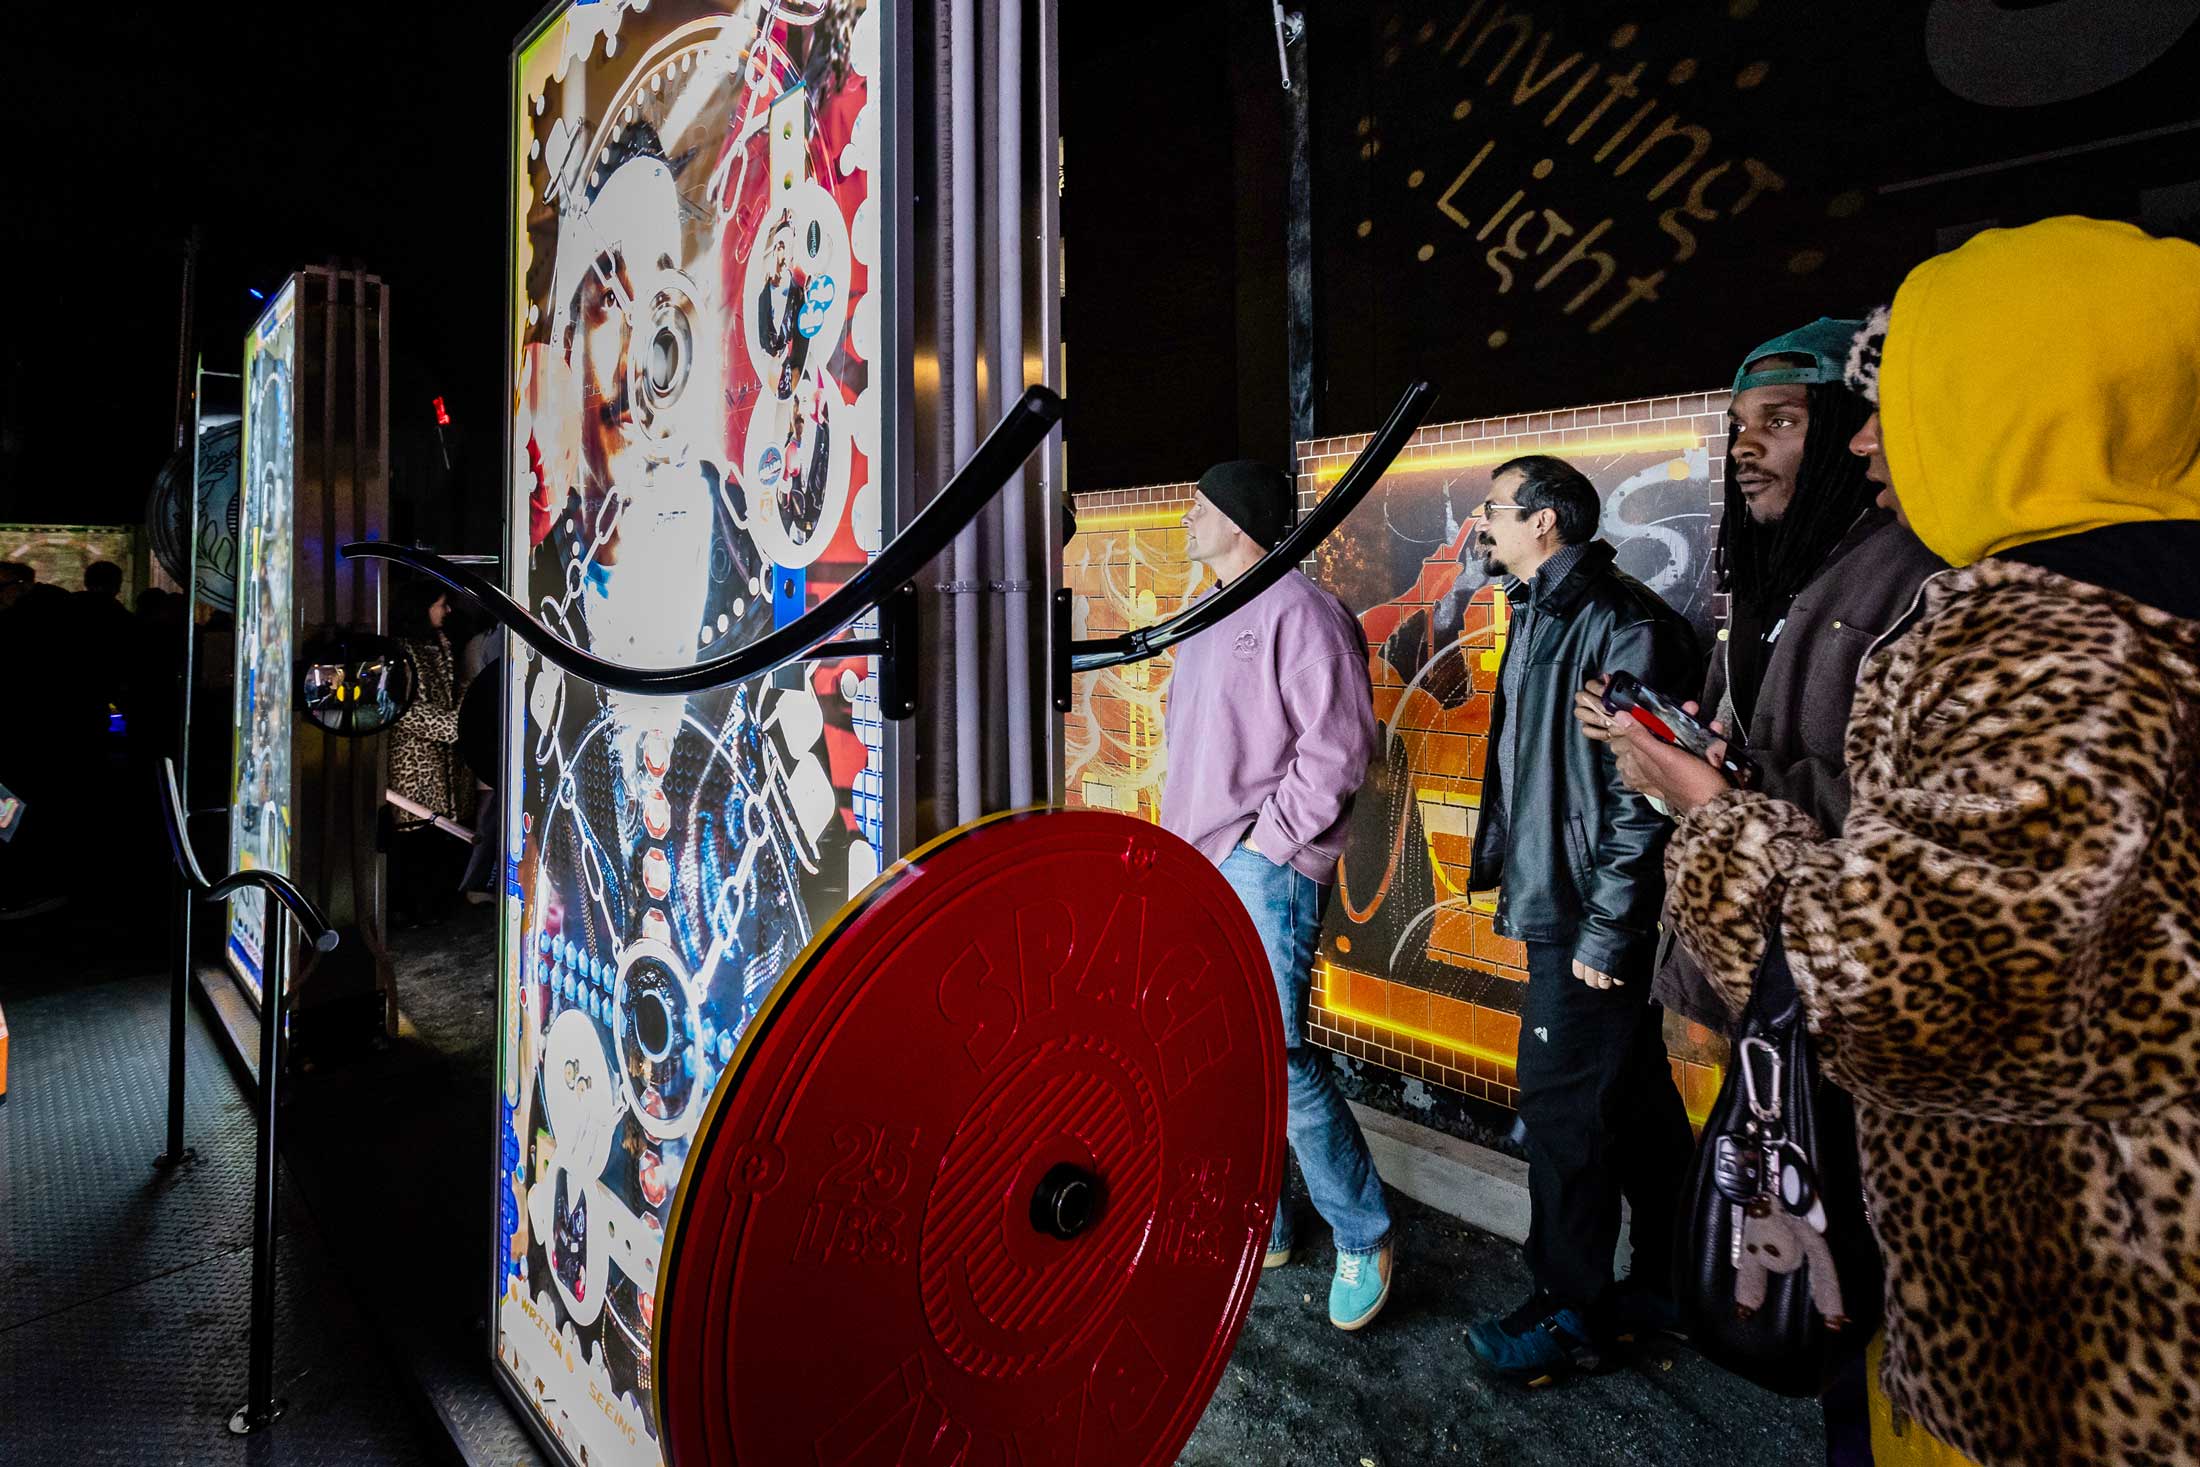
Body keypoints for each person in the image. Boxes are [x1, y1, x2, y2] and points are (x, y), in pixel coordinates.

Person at [1602, 216, 2200, 1466]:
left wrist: (1705, 815)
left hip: (2064, 1340)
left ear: (2021, 394)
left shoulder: (2056, 638)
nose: (1869, 435)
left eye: (1903, 394)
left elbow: (1906, 992)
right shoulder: (2146, 601)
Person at [1578, 320, 1941, 1462]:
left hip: (1858, 1018)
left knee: (1874, 1319)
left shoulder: (1926, 575)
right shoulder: (1800, 571)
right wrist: (1693, 756)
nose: (1748, 450)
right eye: (1739, 428)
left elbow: (1901, 850)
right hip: (1776, 990)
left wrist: (1703, 792)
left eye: (1783, 422)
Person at [1459, 454, 1699, 1384]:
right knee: (1630, 1097)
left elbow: (1643, 800)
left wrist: (1607, 930)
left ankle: (1572, 1312)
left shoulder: (1623, 623)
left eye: (1495, 510)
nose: (1483, 524)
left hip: (1589, 913)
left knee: (1563, 1112)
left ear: (1545, 522)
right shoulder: (1542, 609)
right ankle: (1674, 1286)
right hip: (1565, 898)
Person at [1162, 459, 1396, 1331]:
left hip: (1265, 867)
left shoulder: (1302, 611)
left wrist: (1267, 848)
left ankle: (1365, 1231)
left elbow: (1338, 749)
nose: (1187, 519)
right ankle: (1274, 1221)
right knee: (1231, 1059)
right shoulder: (1208, 612)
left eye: (1198, 505)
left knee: (1282, 1059)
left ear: (1239, 518)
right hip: (1201, 861)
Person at [387, 582, 465, 927]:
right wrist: (453, 723)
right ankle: (416, 910)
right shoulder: (401, 652)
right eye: (441, 604)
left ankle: (431, 909)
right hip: (413, 764)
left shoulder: (439, 646)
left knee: (436, 836)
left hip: (441, 763)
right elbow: (403, 709)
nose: (446, 611)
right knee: (417, 838)